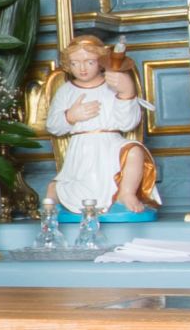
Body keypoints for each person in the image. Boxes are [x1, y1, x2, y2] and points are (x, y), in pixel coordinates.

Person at [35, 33, 156, 226]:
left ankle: (126, 193)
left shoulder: (112, 86)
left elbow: (127, 123)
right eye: (75, 63)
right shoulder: (66, 91)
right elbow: (53, 125)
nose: (82, 68)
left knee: (135, 152)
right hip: (83, 148)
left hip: (111, 144)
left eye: (89, 62)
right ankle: (56, 193)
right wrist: (70, 116)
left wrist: (127, 92)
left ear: (101, 62)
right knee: (76, 185)